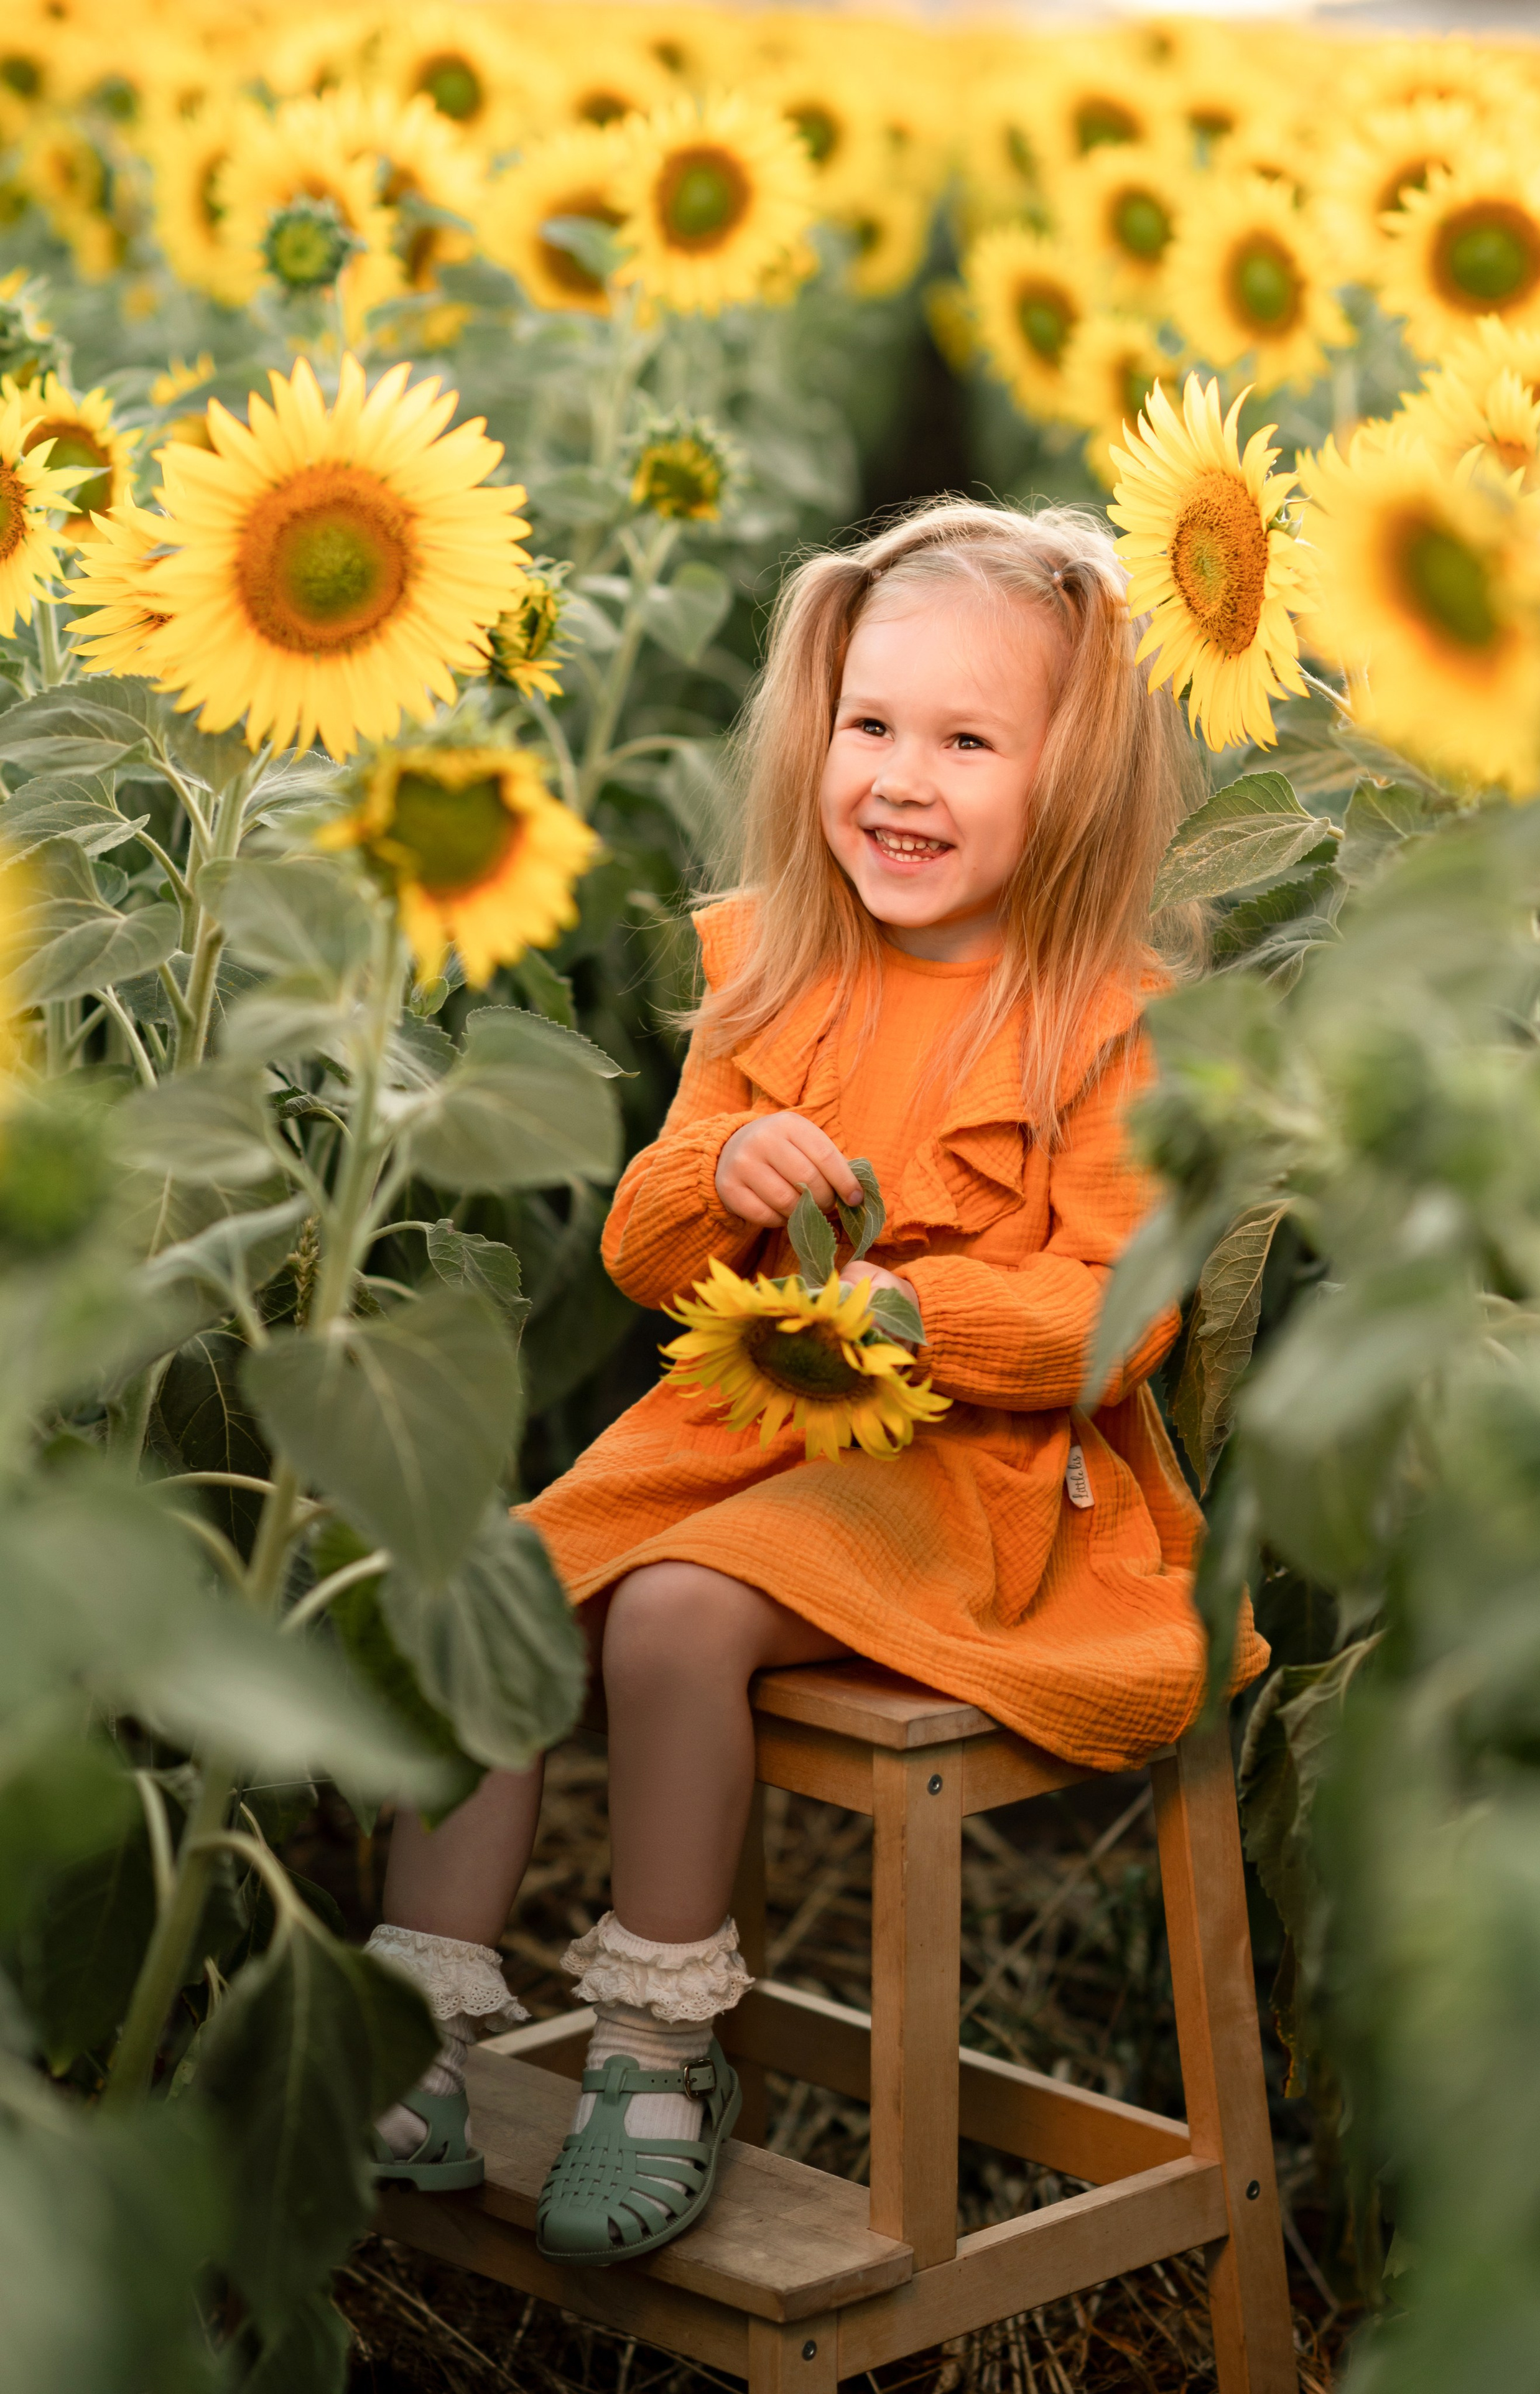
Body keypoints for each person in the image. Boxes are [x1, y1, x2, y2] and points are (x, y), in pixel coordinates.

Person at [362, 497, 1269, 2259]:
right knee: (487, 1596)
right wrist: (726, 1173)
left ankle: (654, 2048)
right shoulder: (773, 962)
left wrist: (921, 1320)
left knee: (677, 1622)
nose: (899, 781)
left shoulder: (1113, 1016)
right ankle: (416, 2027)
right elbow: (643, 1253)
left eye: (966, 740)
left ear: (1075, 781)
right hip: (742, 1425)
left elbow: (1119, 1311)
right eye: (870, 726)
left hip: (986, 1479)